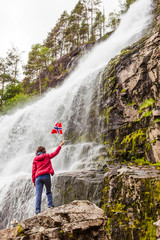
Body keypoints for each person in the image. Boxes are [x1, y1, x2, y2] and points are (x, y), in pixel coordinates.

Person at [32, 141, 64, 214]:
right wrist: (60, 145)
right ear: (44, 151)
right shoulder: (47, 156)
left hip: (38, 178)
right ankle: (50, 205)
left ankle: (37, 211)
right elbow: (55, 153)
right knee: (48, 191)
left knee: (38, 194)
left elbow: (33, 171)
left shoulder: (35, 159)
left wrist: (34, 181)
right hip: (46, 176)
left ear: (37, 152)